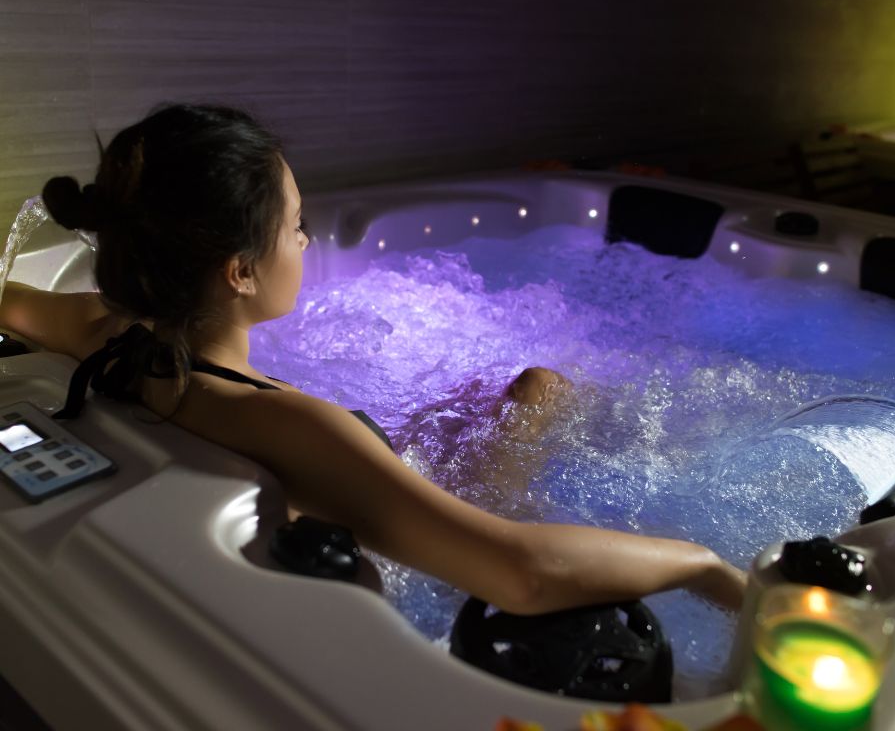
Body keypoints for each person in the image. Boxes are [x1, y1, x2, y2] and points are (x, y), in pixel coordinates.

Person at [0, 103, 746, 614]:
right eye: (296, 226)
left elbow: (12, 301)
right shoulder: (291, 422)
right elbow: (522, 574)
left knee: (514, 391)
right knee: (544, 388)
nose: (306, 242)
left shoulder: (113, 338)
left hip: (370, 473)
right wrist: (703, 563)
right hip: (428, 523)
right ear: (239, 272)